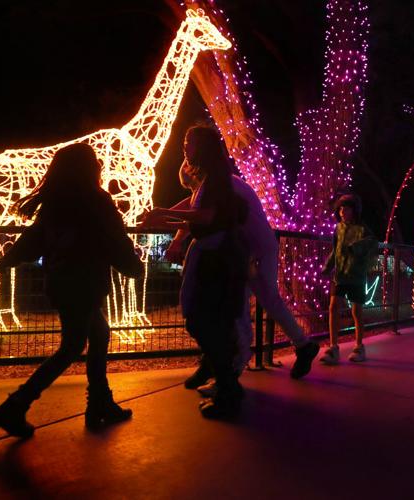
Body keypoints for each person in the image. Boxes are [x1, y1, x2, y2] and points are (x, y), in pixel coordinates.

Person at [0, 143, 143, 438]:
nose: (99, 165)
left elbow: (34, 239)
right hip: (86, 283)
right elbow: (115, 239)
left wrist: (9, 259)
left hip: (61, 283)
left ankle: (100, 402)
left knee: (99, 334)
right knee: (71, 347)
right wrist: (133, 266)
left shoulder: (56, 203)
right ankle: (15, 405)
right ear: (89, 168)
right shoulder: (96, 200)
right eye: (95, 162)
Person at [164, 160, 320, 383]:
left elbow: (199, 214)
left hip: (253, 249)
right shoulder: (223, 184)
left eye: (191, 186)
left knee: (245, 305)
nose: (192, 192)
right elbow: (194, 208)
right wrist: (170, 226)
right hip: (251, 248)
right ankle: (295, 347)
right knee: (249, 305)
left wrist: (166, 221)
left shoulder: (223, 186)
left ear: (196, 174)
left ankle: (233, 370)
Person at [142, 125, 249, 418]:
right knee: (209, 321)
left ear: (201, 147)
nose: (184, 147)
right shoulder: (211, 179)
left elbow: (205, 216)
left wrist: (164, 213)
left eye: (189, 142)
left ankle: (227, 389)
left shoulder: (214, 181)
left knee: (202, 321)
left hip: (216, 260)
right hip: (217, 257)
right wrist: (166, 219)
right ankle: (227, 386)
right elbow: (198, 214)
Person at [319, 194, 377, 364]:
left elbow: (373, 242)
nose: (343, 212)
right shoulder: (338, 228)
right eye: (341, 209)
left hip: (356, 276)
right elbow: (335, 250)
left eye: (347, 209)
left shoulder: (362, 229)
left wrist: (356, 247)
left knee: (356, 311)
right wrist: (328, 266)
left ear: (354, 210)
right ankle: (333, 347)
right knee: (333, 306)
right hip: (340, 276)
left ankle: (359, 347)